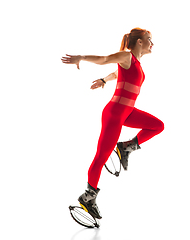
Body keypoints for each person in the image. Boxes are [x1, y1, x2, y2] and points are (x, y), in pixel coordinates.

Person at [61, 28, 164, 220]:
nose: (152, 43)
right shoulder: (126, 55)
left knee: (157, 125)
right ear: (139, 42)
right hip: (115, 114)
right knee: (101, 156)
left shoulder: (135, 63)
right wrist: (81, 57)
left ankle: (126, 148)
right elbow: (104, 59)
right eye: (149, 39)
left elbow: (116, 73)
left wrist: (103, 80)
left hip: (128, 112)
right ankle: (88, 197)